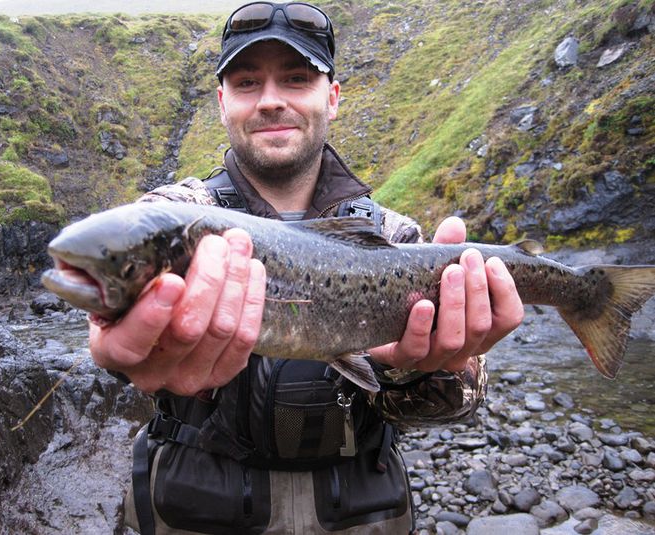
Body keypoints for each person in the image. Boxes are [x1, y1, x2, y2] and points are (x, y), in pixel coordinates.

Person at [89, 2, 525, 533]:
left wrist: (424, 367)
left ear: (332, 98)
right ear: (223, 103)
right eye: (248, 83)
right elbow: (112, 329)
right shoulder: (173, 219)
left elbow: (454, 406)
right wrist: (116, 340)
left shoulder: (395, 238)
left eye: (296, 79)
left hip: (360, 512)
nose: (271, 101)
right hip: (195, 510)